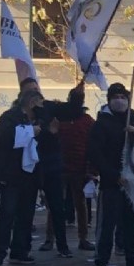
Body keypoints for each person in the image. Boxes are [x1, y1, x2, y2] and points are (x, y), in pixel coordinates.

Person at [87, 83, 134, 266]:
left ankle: (133, 262)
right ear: (109, 100)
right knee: (107, 225)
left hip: (132, 183)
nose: (120, 101)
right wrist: (112, 174)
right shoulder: (101, 124)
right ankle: (102, 264)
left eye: (123, 97)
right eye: (115, 97)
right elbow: (95, 153)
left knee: (132, 225)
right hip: (112, 182)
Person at [19, 78, 84, 258]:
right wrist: (46, 131)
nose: (35, 95)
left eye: (37, 91)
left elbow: (72, 112)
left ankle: (62, 245)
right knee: (26, 207)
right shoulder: (18, 112)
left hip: (51, 164)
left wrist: (77, 96)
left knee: (57, 206)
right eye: (30, 92)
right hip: (29, 166)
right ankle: (22, 247)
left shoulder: (50, 107)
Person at [0, 89, 46, 266]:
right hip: (10, 174)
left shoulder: (37, 120)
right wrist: (29, 131)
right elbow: (5, 138)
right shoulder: (9, 117)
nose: (42, 107)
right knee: (7, 213)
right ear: (31, 102)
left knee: (26, 214)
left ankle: (20, 251)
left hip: (29, 175)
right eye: (40, 103)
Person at [45, 88, 96, 253]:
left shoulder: (85, 120)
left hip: (78, 167)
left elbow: (91, 145)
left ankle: (80, 238)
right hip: (61, 167)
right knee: (57, 204)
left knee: (77, 204)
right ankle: (51, 238)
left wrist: (90, 170)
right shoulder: (61, 118)